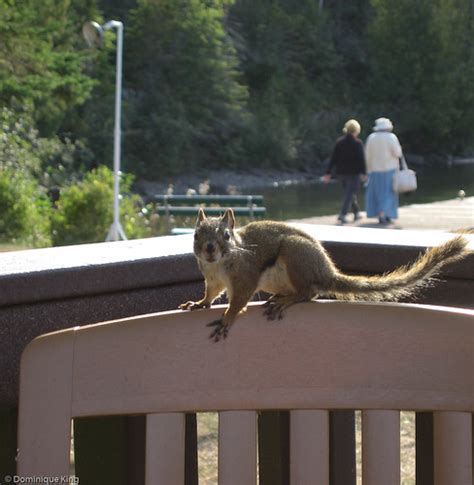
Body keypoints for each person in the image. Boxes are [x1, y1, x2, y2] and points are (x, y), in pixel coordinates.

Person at [323, 119, 367, 224]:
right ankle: (342, 214)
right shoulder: (358, 143)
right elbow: (361, 159)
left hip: (341, 173)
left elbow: (333, 158)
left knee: (349, 193)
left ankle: (356, 213)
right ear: (357, 130)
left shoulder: (339, 142)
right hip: (354, 173)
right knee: (350, 193)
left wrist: (328, 172)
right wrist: (364, 173)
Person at [365, 117, 403, 225]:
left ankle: (380, 214)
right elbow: (398, 153)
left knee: (377, 193)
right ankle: (385, 214)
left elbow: (367, 155)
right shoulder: (391, 137)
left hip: (375, 169)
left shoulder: (371, 138)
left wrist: (368, 170)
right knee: (389, 193)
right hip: (390, 169)